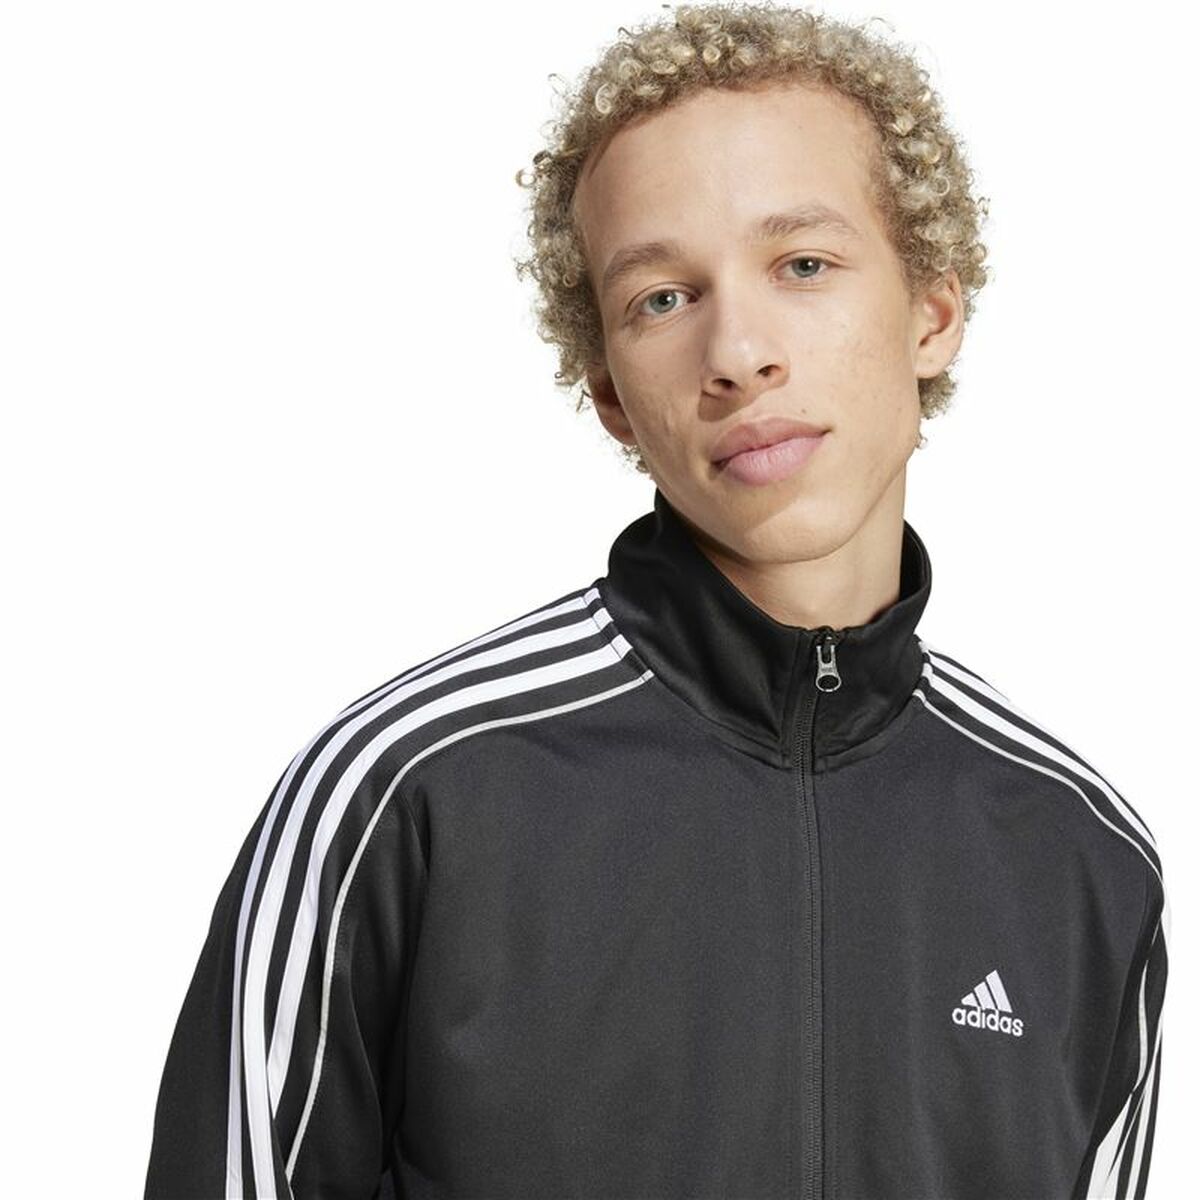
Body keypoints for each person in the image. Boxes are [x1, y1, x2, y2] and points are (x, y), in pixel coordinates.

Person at [144, 5, 1169, 1198]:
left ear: (932, 315)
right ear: (613, 396)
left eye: (803, 265)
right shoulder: (403, 796)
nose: (738, 353)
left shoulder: (1082, 859)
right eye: (663, 299)